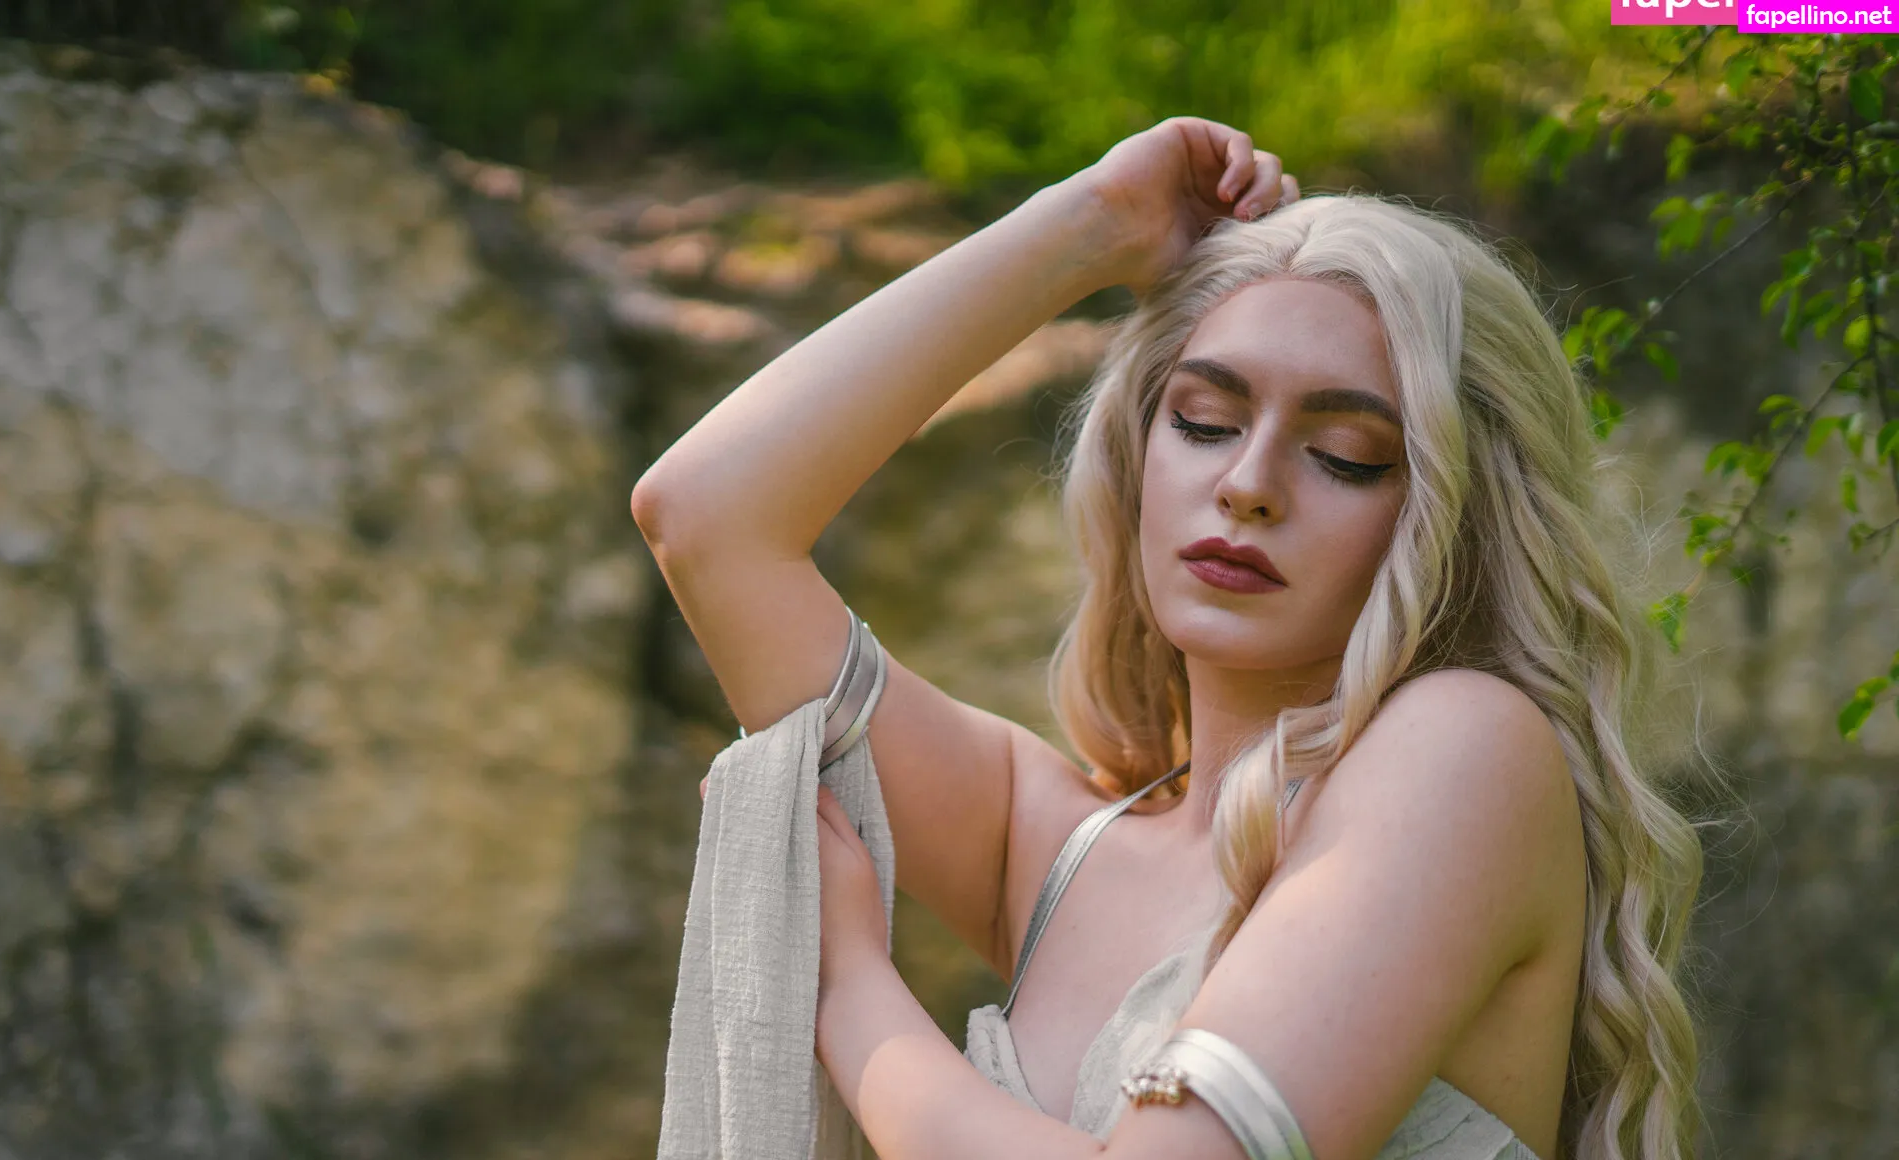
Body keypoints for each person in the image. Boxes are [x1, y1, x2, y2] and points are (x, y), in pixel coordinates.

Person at [632, 116, 1704, 1160]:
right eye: (1204, 421)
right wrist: (1090, 226)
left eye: (1345, 452)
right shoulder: (1053, 853)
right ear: (1138, 451)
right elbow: (710, 520)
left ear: (1458, 513)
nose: (1247, 483)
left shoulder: (1469, 749)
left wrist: (848, 991)